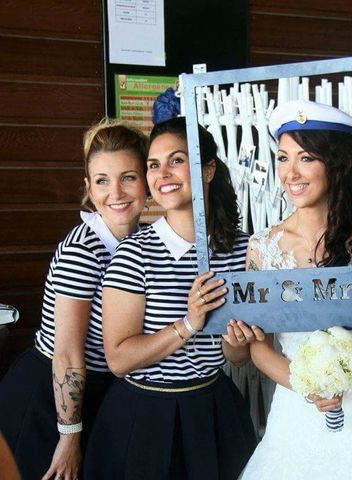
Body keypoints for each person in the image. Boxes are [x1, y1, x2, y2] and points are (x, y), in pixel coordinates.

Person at [240, 100, 352, 479]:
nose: (289, 172)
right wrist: (308, 387)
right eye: (282, 157)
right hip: (297, 416)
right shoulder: (263, 249)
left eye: (306, 158)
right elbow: (258, 347)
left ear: (336, 164)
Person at [83, 116, 256, 480]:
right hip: (144, 415)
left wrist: (238, 342)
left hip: (213, 408)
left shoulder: (242, 249)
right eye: (153, 165)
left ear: (208, 170)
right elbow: (118, 358)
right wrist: (189, 324)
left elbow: (237, 357)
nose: (163, 173)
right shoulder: (135, 254)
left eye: (176, 160)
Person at [0, 120, 149, 480]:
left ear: (147, 179)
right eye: (101, 180)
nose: (116, 192)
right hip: (50, 398)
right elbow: (67, 354)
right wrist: (68, 437)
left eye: (128, 177)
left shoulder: (143, 240)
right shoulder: (84, 250)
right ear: (88, 188)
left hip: (101, 392)